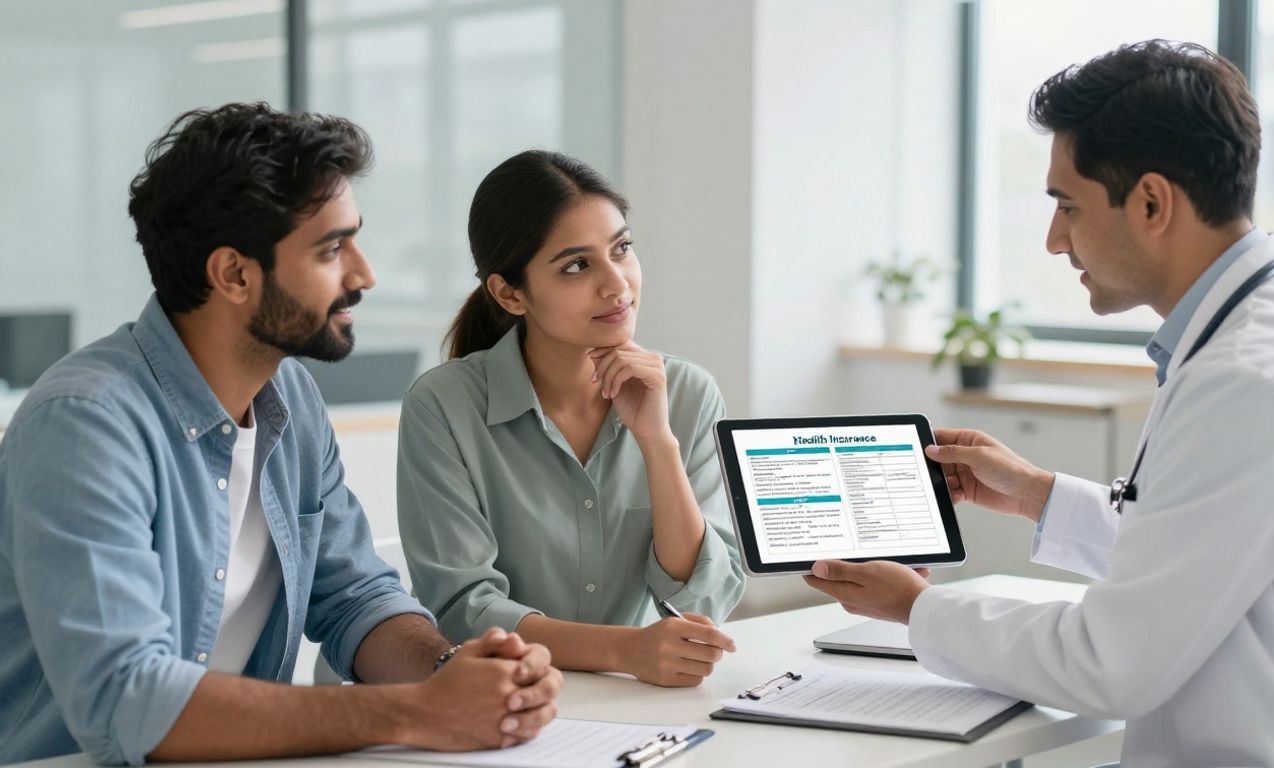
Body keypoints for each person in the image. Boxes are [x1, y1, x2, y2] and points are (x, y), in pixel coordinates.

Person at [806, 40, 1274, 767]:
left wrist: (914, 608)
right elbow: (1206, 556)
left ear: (1153, 203)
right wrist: (1038, 495)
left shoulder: (1251, 378)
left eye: (1067, 206)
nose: (1052, 240)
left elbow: (1111, 662)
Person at [0, 103, 561, 766]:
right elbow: (126, 699)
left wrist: (451, 672)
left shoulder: (289, 397)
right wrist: (418, 712)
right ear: (234, 275)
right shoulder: (85, 424)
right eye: (332, 249)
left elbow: (354, 596)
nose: (364, 275)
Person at [396, 150, 743, 688]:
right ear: (510, 294)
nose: (617, 284)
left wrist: (657, 443)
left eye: (621, 249)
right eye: (577, 266)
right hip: (496, 698)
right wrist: (626, 650)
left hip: (637, 703)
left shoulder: (688, 393)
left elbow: (704, 600)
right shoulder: (443, 406)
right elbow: (463, 607)